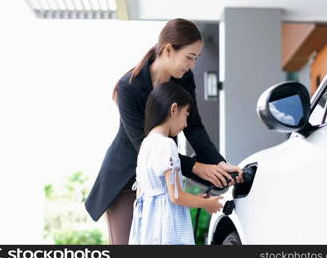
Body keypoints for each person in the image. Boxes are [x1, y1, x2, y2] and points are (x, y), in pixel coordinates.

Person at [85, 18, 243, 245]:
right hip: (127, 181)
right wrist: (198, 168)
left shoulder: (184, 78)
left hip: (163, 181)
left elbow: (194, 125)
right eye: (190, 57)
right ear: (168, 50)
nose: (192, 66)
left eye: (196, 58)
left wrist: (218, 165)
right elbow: (145, 146)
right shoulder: (128, 87)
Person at [129, 82, 224, 244]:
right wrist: (206, 203)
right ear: (174, 109)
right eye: (186, 115)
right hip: (167, 230)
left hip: (149, 229)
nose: (186, 124)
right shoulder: (167, 145)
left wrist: (194, 198)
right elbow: (176, 196)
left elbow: (147, 193)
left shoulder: (146, 145)